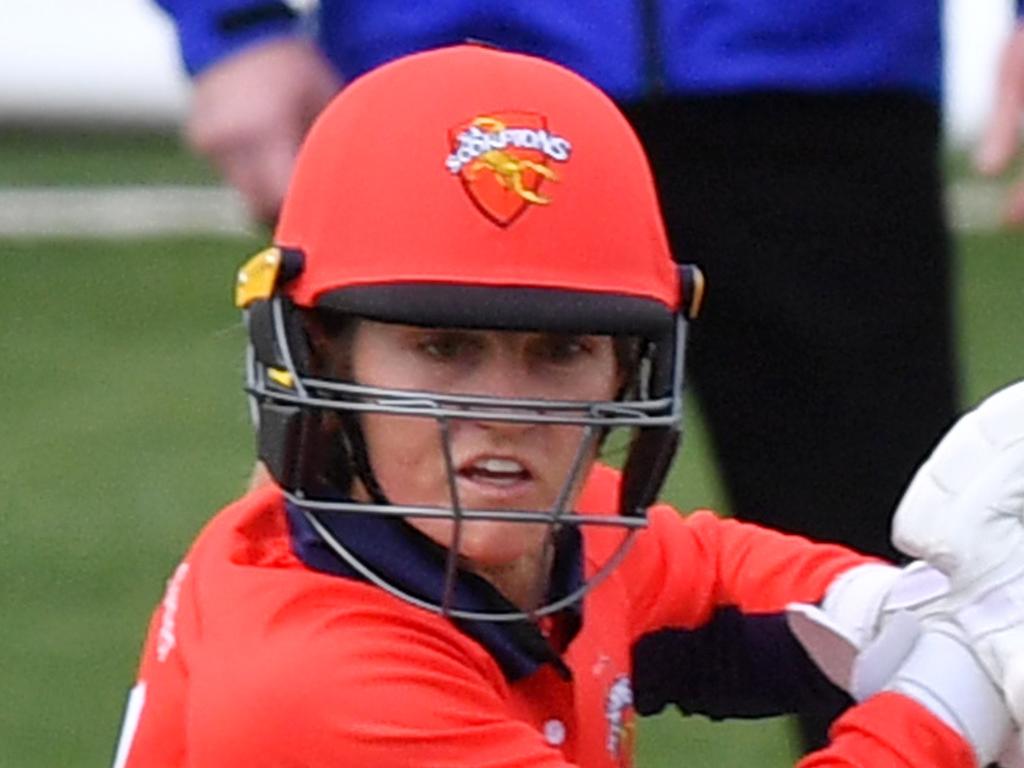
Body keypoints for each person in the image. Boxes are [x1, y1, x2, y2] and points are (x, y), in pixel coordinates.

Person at [112, 46, 1023, 768]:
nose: (506, 411)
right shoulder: (312, 684)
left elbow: (719, 583)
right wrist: (953, 695)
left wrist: (925, 609)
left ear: (628, 368)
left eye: (562, 351)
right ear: (319, 351)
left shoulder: (554, 543)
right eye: (443, 348)